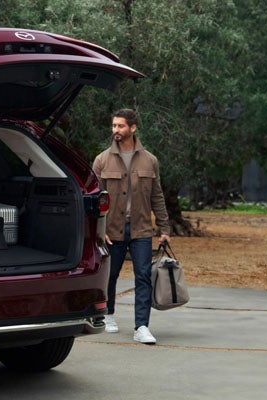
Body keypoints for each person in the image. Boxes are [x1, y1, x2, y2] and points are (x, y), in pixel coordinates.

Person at [93, 108, 170, 345]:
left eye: (120, 126)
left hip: (141, 229)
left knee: (143, 277)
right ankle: (110, 315)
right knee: (111, 275)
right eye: (114, 126)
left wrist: (165, 228)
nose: (115, 130)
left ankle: (142, 326)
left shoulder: (150, 160)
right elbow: (94, 199)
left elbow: (157, 196)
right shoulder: (102, 160)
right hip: (111, 230)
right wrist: (99, 229)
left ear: (133, 128)